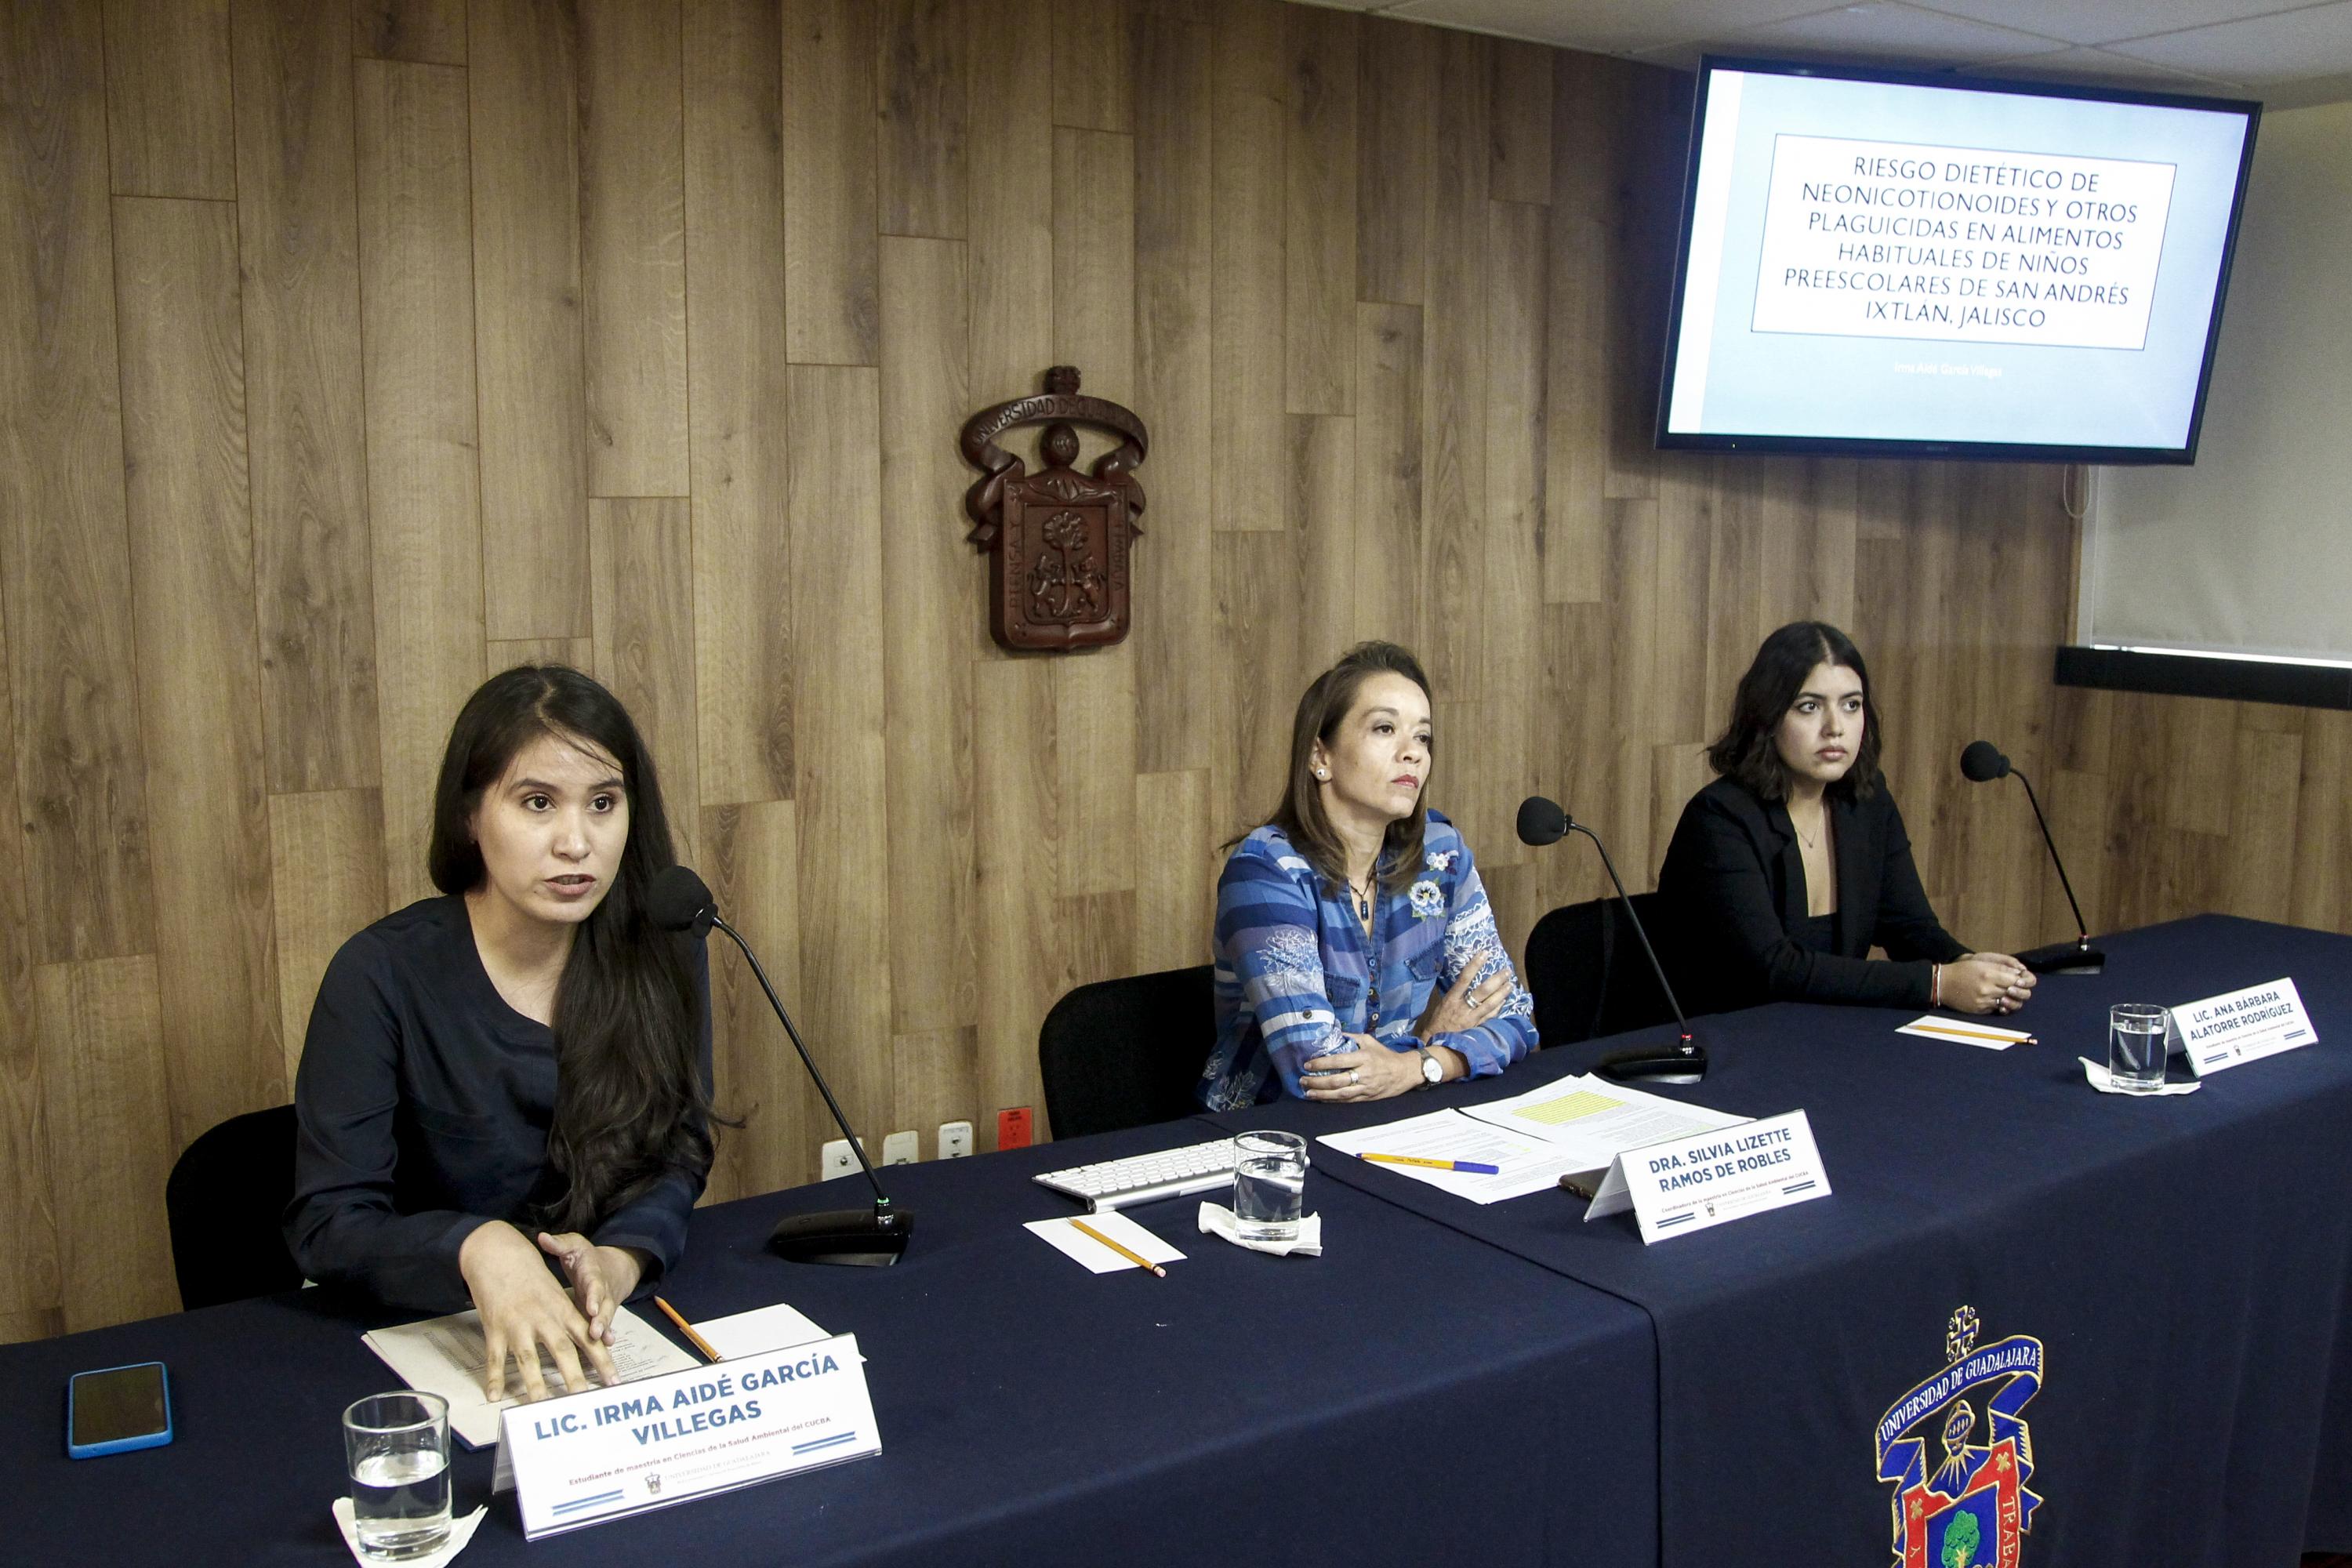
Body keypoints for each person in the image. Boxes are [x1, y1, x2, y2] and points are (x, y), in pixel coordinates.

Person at [286, 666, 717, 1401]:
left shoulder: (663, 945)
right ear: (469, 816)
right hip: (419, 1338)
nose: (576, 843)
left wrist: (621, 1259)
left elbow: (680, 1147)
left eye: (603, 803)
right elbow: (329, 1222)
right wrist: (476, 1245)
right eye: (538, 803)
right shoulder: (380, 974)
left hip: (604, 1334)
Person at [1199, 641, 1537, 1109]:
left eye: (1423, 737)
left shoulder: (1441, 856)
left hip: (1396, 1118)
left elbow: (1516, 1017)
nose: (1412, 754)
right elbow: (1320, 1070)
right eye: (1385, 729)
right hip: (1268, 1135)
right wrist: (1435, 1045)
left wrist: (1422, 1065)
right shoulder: (1265, 872)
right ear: (1320, 756)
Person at [1656, 621, 2035, 1018]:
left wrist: (1968, 964)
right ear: (1767, 717)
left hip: (1829, 1030)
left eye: (1851, 705)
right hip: (1729, 1037)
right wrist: (1938, 984)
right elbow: (1774, 969)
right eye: (1809, 706)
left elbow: (1908, 925)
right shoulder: (1719, 819)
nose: (1835, 728)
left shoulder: (1865, 802)